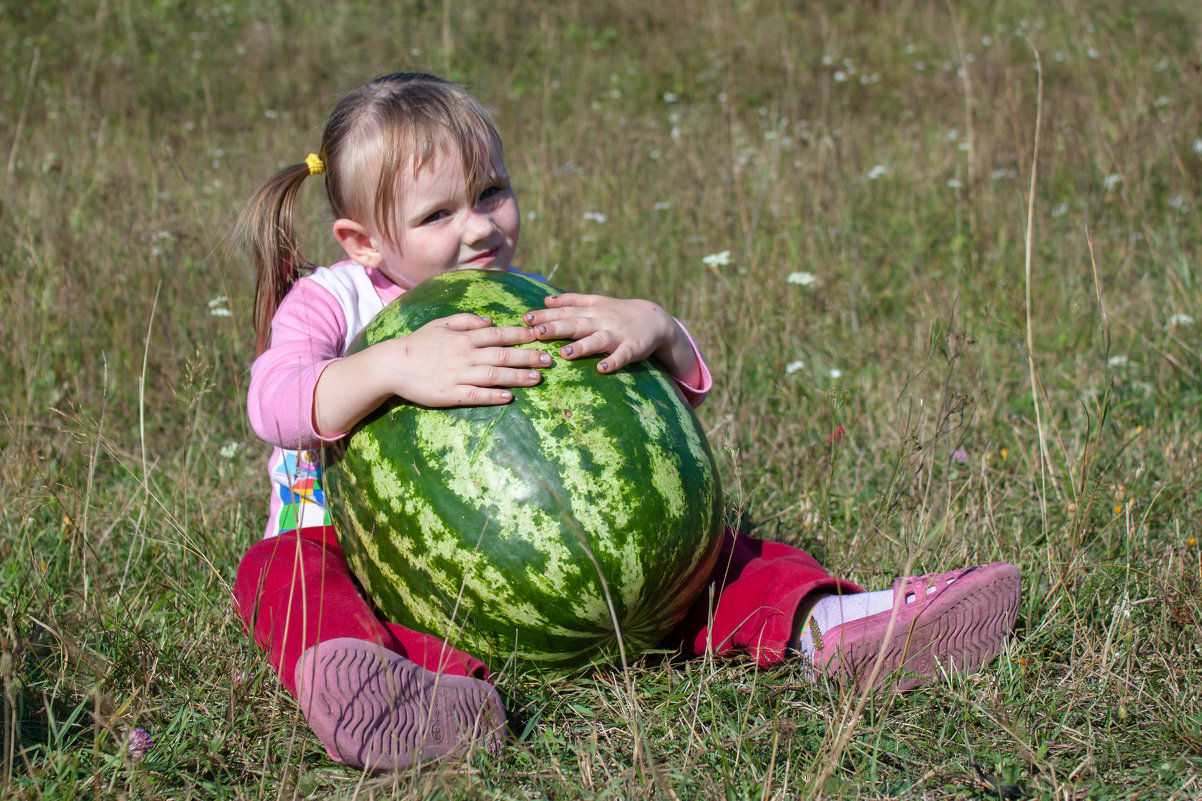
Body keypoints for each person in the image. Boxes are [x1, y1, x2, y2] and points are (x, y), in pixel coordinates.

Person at [232, 72, 1021, 773]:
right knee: (280, 574)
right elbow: (273, 399)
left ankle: (840, 624)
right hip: (378, 567)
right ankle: (422, 694)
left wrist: (661, 333)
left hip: (591, 566)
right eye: (439, 212)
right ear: (362, 239)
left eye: (492, 193)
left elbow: (648, 416)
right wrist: (389, 365)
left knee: (716, 553)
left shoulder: (526, 289)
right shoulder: (335, 301)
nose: (478, 228)